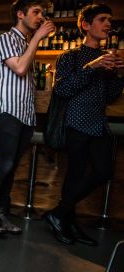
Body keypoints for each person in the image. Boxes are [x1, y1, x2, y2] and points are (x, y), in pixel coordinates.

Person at [43, 4, 124, 246]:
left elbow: (109, 96)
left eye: (110, 20)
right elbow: (63, 89)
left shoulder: (110, 57)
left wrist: (120, 76)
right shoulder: (70, 56)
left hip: (99, 123)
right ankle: (68, 221)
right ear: (86, 25)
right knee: (76, 173)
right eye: (102, 19)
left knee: (104, 171)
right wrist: (92, 67)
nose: (108, 24)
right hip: (76, 121)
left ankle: (58, 214)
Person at [0, 0, 55, 236]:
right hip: (9, 112)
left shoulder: (26, 42)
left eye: (42, 13)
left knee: (11, 169)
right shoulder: (6, 39)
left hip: (26, 115)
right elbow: (20, 68)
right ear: (20, 14)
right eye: (36, 12)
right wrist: (38, 38)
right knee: (5, 164)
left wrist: (34, 42)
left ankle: (1, 215)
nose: (41, 17)